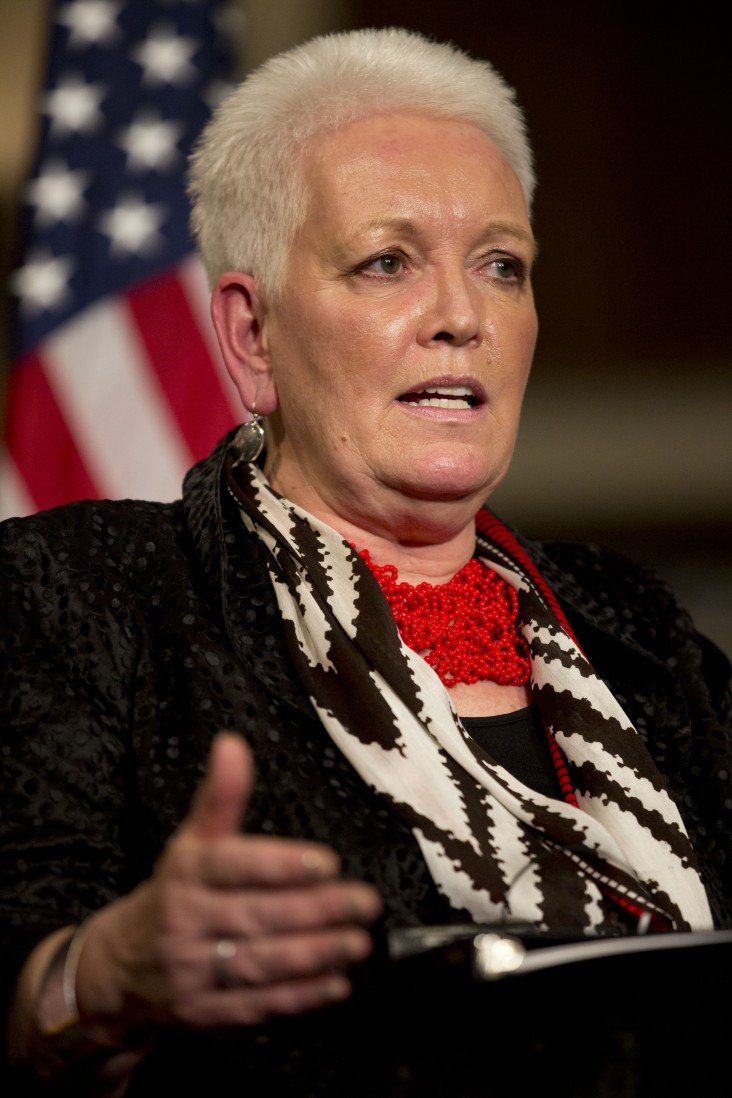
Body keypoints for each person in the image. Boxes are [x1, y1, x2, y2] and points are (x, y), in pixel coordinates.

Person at [1, 24, 731, 1098]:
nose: (461, 316)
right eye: (388, 261)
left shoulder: (641, 634)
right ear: (251, 338)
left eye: (501, 265)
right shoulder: (86, 598)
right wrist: (101, 973)